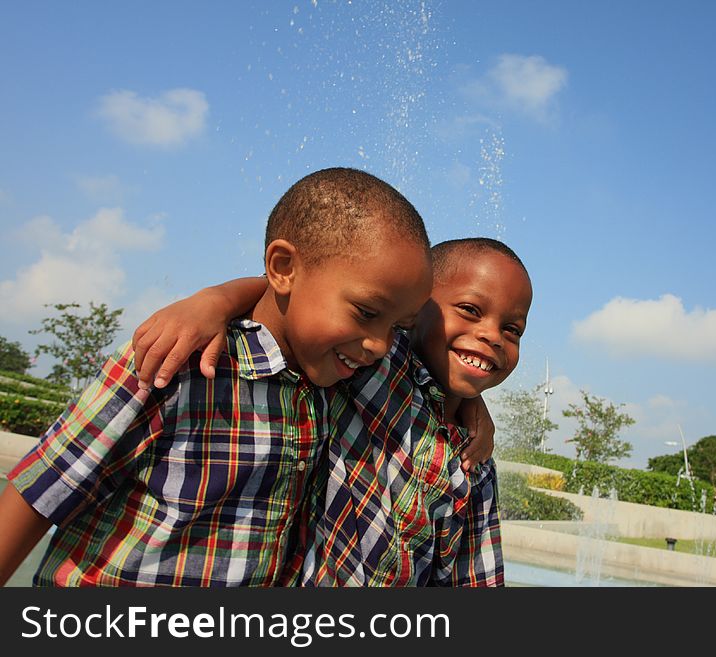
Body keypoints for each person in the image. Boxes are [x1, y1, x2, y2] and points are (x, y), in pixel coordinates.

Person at [0, 167, 436, 586]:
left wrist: (474, 409)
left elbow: (440, 366)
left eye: (397, 327)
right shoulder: (177, 360)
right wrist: (214, 301)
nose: (381, 345)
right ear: (282, 267)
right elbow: (41, 492)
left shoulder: (338, 378)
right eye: (367, 313)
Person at [130, 237, 532, 586]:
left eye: (512, 330)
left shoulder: (474, 463)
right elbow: (301, 291)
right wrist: (214, 300)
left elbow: (474, 575)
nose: (492, 336)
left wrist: (470, 401)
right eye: (470, 310)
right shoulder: (377, 367)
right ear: (412, 312)